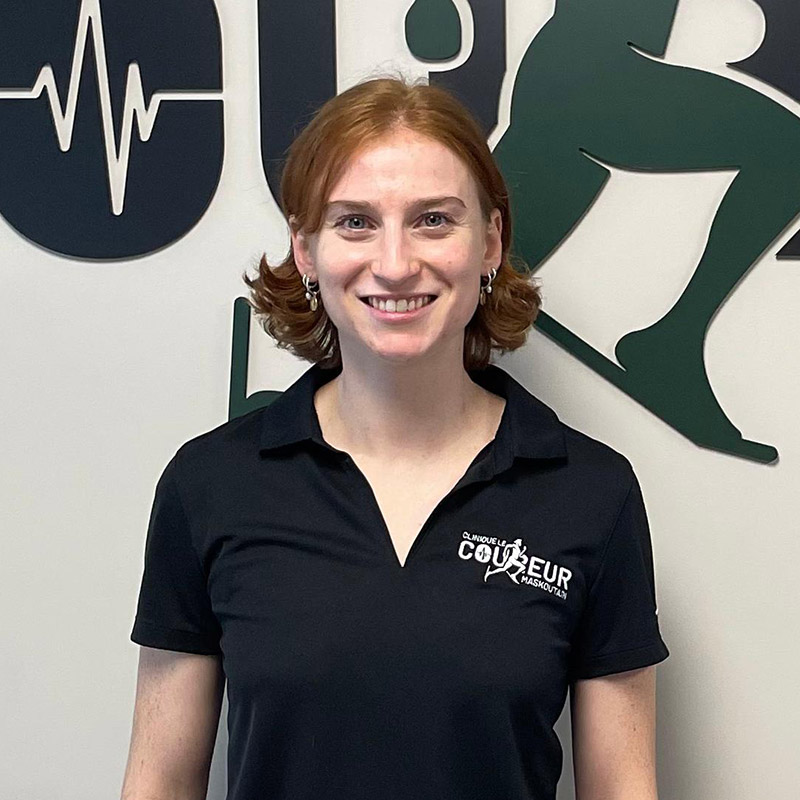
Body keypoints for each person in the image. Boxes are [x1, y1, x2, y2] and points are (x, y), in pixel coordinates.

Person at [122, 76, 669, 800]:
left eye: (433, 220)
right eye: (354, 222)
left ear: (490, 242)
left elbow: (623, 787)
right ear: (306, 250)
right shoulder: (209, 485)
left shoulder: (590, 493)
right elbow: (159, 780)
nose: (395, 264)